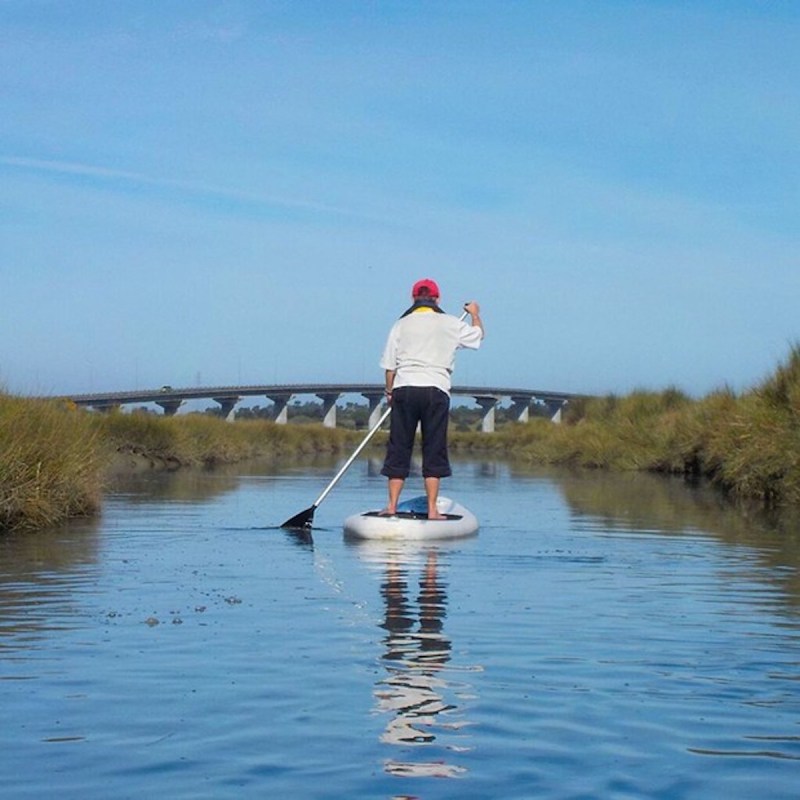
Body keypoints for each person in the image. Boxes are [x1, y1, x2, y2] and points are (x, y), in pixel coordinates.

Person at [379, 278, 484, 519]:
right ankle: (433, 510)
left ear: (413, 299)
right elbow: (477, 337)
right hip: (436, 390)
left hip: (404, 388)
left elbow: (389, 367)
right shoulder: (449, 323)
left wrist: (389, 391)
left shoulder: (400, 324)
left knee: (399, 446)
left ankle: (392, 506)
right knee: (433, 447)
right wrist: (475, 314)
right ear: (437, 299)